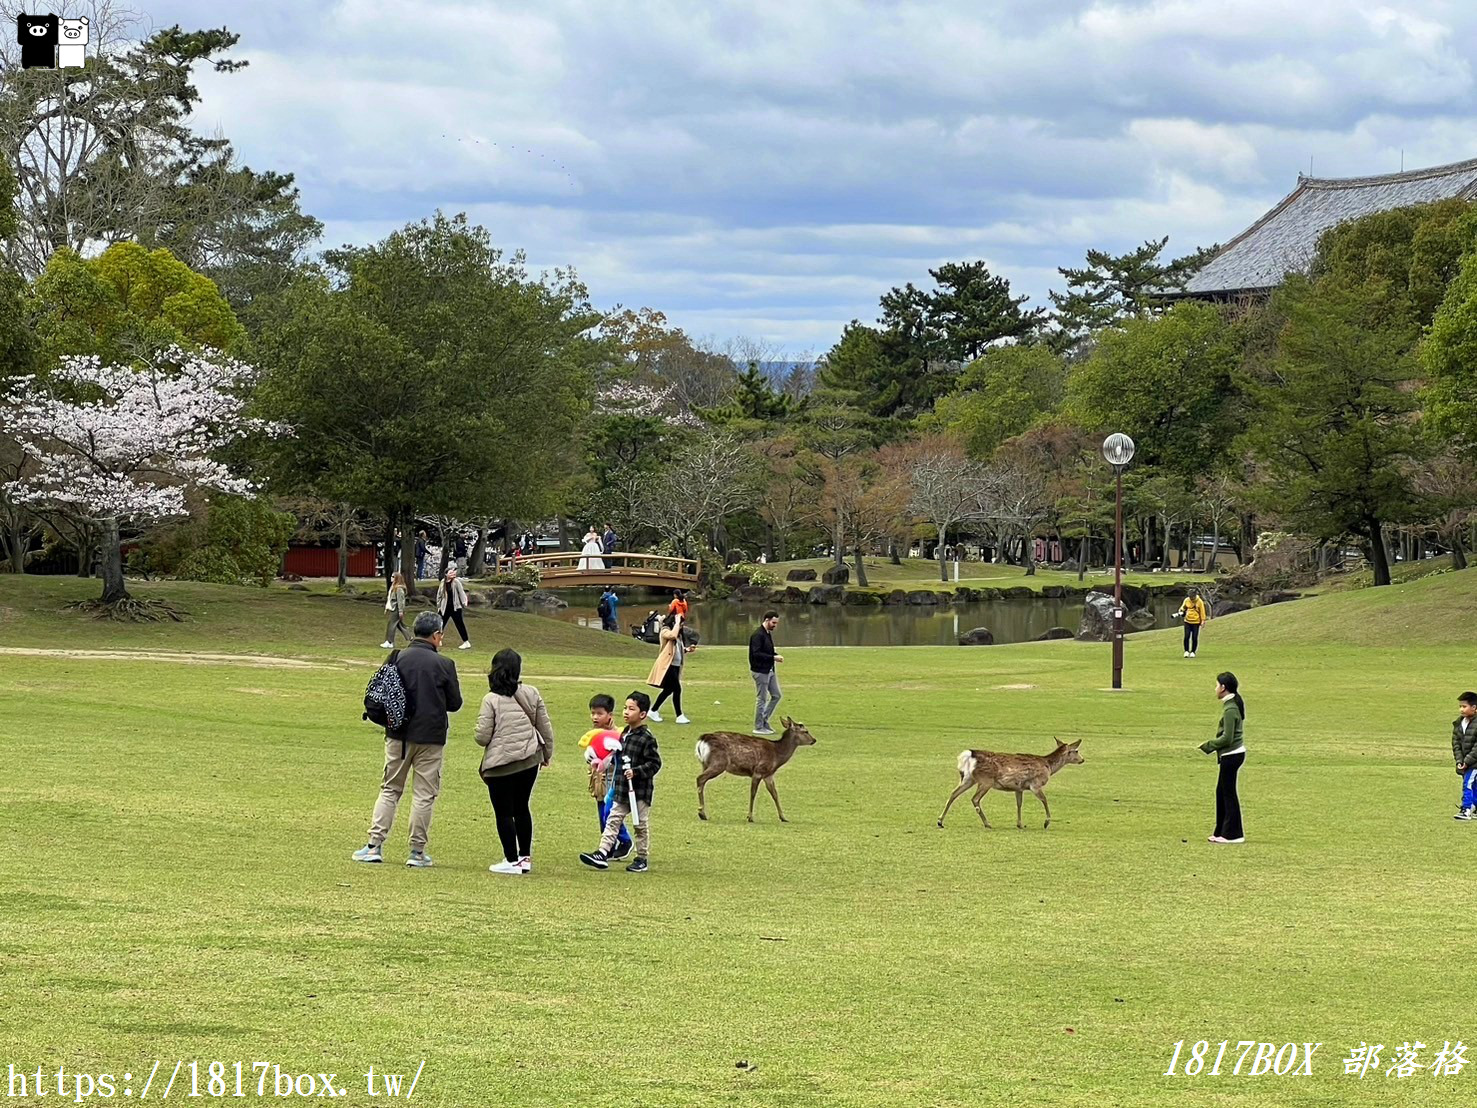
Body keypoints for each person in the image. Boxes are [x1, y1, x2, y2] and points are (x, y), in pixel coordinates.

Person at [352, 612, 463, 867]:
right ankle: (416, 851)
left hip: (398, 734)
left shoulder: (397, 657)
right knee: (424, 795)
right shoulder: (445, 664)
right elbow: (455, 703)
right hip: (431, 737)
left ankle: (374, 845)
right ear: (436, 635)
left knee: (390, 789)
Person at [474, 648, 555, 874]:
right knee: (521, 807)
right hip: (529, 758)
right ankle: (524, 857)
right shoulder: (531, 692)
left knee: (503, 812)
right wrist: (547, 753)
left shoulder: (491, 699)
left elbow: (482, 737)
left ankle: (510, 860)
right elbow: (545, 727)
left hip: (501, 764)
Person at [579, 691, 661, 873]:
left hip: (639, 791)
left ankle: (641, 858)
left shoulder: (646, 738)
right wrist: (601, 762)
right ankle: (602, 852)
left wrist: (637, 772)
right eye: (625, 708)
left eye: (631, 709)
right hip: (621, 788)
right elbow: (616, 756)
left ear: (642, 714)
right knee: (612, 819)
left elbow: (655, 763)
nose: (626, 712)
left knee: (640, 825)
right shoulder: (623, 734)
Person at [578, 694, 633, 859]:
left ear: (610, 715)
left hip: (614, 781)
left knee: (610, 813)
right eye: (593, 713)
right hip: (599, 781)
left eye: (599, 713)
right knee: (603, 813)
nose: (595, 717)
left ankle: (624, 841)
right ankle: (608, 846)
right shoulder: (593, 734)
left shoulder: (618, 734)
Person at [1198, 671, 1246, 844]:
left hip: (1232, 755)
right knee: (1222, 792)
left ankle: (1233, 834)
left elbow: (1228, 738)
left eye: (1217, 685)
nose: (1215, 688)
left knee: (1228, 793)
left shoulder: (1231, 709)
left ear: (1224, 688)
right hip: (1231, 754)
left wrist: (1208, 746)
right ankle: (1222, 831)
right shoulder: (1230, 705)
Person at [646, 611, 692, 724]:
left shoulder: (679, 635)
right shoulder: (665, 631)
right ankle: (679, 715)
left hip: (675, 666)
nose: (681, 626)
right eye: (680, 624)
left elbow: (675, 649)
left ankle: (653, 710)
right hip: (668, 666)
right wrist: (677, 622)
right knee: (677, 689)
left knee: (669, 690)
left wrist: (686, 650)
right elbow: (672, 636)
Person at [749, 610, 784, 735]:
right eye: (773, 622)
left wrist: (775, 655)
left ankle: (764, 720)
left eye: (776, 623)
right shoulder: (758, 635)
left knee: (776, 695)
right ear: (767, 620)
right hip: (760, 671)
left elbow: (768, 651)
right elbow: (756, 654)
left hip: (770, 670)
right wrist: (773, 658)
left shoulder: (767, 633)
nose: (775, 625)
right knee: (762, 699)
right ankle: (758, 726)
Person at [1451, 691, 1477, 820]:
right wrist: (1459, 761)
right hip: (1466, 762)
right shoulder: (1459, 723)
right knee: (1474, 784)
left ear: (1474, 707)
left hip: (1474, 763)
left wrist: (1467, 761)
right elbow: (1456, 743)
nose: (1461, 709)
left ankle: (1466, 809)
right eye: (1460, 706)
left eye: (1464, 706)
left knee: (1468, 783)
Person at [437, 566, 472, 650]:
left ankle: (466, 642)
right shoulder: (443, 582)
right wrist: (439, 606)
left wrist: (464, 602)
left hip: (455, 607)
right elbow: (439, 595)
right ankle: (438, 640)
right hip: (444, 607)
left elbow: (461, 592)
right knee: (440, 624)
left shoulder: (456, 582)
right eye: (450, 573)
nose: (453, 574)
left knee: (459, 624)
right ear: (446, 574)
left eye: (453, 572)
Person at [1173, 588, 1210, 657]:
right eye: (1190, 597)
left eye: (1192, 597)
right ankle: (1186, 651)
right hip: (1187, 621)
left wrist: (1203, 621)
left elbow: (1202, 612)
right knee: (1186, 636)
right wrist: (1181, 611)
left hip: (1196, 622)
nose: (1191, 598)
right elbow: (1182, 608)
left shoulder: (1199, 602)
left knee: (1194, 637)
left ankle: (1193, 651)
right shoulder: (1187, 600)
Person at [381, 571, 411, 649]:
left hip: (396, 609)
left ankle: (389, 642)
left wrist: (400, 611)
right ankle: (410, 637)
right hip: (393, 608)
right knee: (400, 625)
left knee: (391, 625)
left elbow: (401, 601)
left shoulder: (399, 589)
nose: (391, 578)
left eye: (393, 577)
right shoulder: (393, 587)